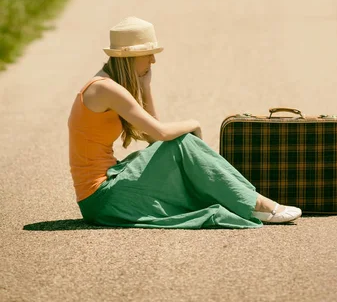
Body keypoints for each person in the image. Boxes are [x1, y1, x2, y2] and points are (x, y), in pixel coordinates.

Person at [68, 16, 302, 229]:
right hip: (102, 197)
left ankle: (250, 201)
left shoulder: (106, 84)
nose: (153, 60)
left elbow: (153, 138)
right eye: (148, 53)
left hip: (106, 186)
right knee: (182, 142)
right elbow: (159, 133)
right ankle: (256, 203)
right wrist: (194, 123)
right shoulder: (105, 89)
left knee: (179, 143)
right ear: (129, 57)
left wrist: (146, 88)